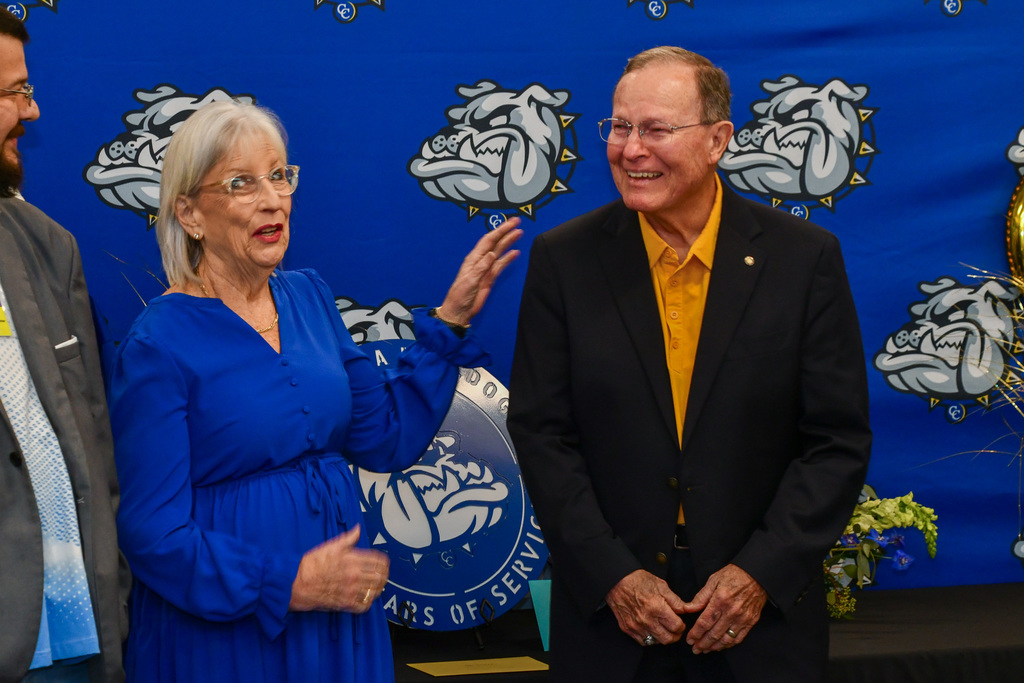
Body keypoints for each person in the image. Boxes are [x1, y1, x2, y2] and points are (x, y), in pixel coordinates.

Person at [107, 99, 521, 683]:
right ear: (189, 213)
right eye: (241, 182)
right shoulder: (158, 341)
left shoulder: (310, 297)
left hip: (336, 621)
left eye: (279, 175)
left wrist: (450, 320)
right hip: (227, 634)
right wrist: (284, 583)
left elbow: (384, 440)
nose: (271, 198)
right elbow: (151, 531)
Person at [508, 46, 871, 683]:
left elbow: (836, 441)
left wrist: (760, 573)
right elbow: (542, 435)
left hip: (759, 627)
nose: (631, 149)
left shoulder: (803, 260)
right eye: (620, 127)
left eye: (656, 129)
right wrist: (613, 575)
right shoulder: (564, 261)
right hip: (609, 627)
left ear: (717, 141)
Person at [0, 9, 128, 683]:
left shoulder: (50, 246)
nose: (33, 109)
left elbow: (94, 439)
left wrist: (115, 587)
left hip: (74, 643)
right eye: (14, 92)